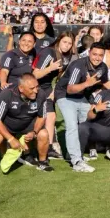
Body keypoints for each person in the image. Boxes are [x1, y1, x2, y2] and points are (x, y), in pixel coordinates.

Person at [0, 74, 52, 179]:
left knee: (43, 134)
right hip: (6, 124)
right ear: (21, 88)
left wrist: (34, 132)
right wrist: (11, 139)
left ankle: (43, 162)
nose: (36, 90)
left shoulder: (41, 94)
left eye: (37, 86)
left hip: (28, 123)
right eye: (32, 88)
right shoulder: (7, 94)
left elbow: (41, 117)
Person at [54, 42, 110, 173]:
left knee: (89, 122)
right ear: (89, 53)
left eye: (100, 55)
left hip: (82, 97)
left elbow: (105, 82)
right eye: (94, 54)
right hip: (65, 96)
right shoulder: (78, 65)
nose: (97, 57)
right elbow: (70, 88)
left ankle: (74, 154)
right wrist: (87, 83)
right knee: (72, 125)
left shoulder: (103, 67)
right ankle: (77, 162)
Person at [32, 31, 76, 159]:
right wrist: (49, 69)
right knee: (41, 118)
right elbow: (35, 74)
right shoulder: (49, 52)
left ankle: (49, 147)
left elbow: (60, 77)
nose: (67, 45)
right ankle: (32, 147)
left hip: (47, 87)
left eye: (70, 43)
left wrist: (54, 90)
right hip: (35, 87)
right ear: (58, 41)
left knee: (51, 116)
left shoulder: (66, 56)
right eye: (64, 42)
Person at [0, 32, 36, 106]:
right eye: (24, 40)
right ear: (19, 41)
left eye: (30, 41)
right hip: (1, 90)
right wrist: (3, 82)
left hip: (17, 92)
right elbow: (4, 71)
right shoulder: (11, 55)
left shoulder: (33, 54)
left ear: (34, 44)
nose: (26, 43)